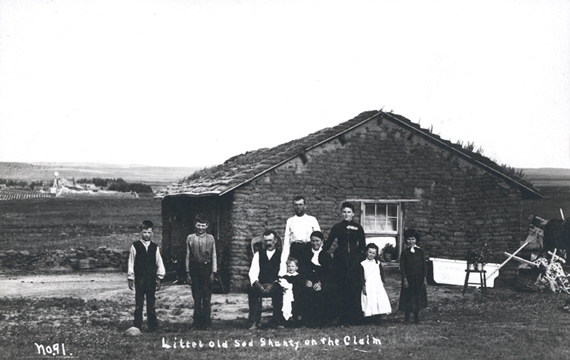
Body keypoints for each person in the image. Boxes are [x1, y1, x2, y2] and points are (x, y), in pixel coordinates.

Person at [322, 201, 366, 325]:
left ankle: (355, 317)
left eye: (349, 212)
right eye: (344, 212)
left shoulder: (358, 228)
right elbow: (329, 242)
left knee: (354, 288)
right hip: (340, 259)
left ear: (353, 214)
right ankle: (342, 317)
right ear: (341, 213)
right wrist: (319, 252)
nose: (346, 214)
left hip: (354, 260)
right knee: (342, 288)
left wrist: (362, 259)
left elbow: (362, 245)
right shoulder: (337, 227)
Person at [127, 220, 165, 332]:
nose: (146, 235)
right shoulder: (135, 246)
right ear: (140, 232)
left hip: (151, 278)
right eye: (144, 232)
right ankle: (137, 325)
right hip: (139, 278)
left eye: (149, 232)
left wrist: (159, 278)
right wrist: (130, 277)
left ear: (152, 233)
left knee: (151, 302)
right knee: (139, 302)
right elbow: (131, 262)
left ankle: (152, 326)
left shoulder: (154, 247)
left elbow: (159, 262)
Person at [247, 230, 285, 330]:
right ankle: (254, 321)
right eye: (266, 241)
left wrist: (272, 284)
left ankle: (278, 321)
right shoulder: (258, 255)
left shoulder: (282, 255)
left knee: (279, 290)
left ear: (275, 240)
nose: (268, 243)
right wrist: (258, 284)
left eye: (270, 240)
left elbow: (282, 272)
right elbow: (253, 272)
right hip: (261, 284)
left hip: (275, 284)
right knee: (252, 291)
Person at [185, 213, 217, 330]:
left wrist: (213, 272)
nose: (201, 228)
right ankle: (196, 322)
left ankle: (207, 323)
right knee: (197, 297)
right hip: (195, 269)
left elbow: (214, 255)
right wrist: (187, 272)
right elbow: (187, 255)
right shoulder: (190, 238)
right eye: (199, 225)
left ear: (207, 226)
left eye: (203, 225)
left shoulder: (211, 238)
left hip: (206, 269)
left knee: (207, 297)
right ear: (195, 225)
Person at [298, 230, 334, 327]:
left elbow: (329, 273)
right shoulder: (305, 254)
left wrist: (321, 283)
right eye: (313, 241)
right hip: (308, 280)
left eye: (317, 241)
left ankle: (322, 321)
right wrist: (305, 280)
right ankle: (308, 321)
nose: (315, 243)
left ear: (322, 241)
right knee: (305, 292)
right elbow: (301, 270)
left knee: (323, 292)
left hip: (322, 282)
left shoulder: (326, 256)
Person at [281, 196, 320, 275]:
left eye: (300, 204)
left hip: (308, 249)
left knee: (308, 273)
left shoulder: (312, 219)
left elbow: (318, 238)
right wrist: (284, 259)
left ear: (305, 206)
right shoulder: (290, 221)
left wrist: (317, 255)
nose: (298, 207)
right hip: (295, 250)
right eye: (296, 205)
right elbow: (286, 242)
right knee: (296, 275)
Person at [398, 228, 428, 324]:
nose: (411, 241)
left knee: (417, 297)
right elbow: (402, 266)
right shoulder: (405, 252)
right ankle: (406, 317)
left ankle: (416, 317)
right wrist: (404, 278)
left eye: (413, 239)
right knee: (408, 297)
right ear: (406, 240)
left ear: (416, 240)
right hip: (409, 279)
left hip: (418, 279)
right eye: (409, 239)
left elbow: (424, 265)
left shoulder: (420, 252)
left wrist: (424, 278)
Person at [360, 243, 392, 324]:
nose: (371, 255)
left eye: (373, 253)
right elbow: (361, 276)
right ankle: (369, 318)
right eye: (370, 252)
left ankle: (377, 318)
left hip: (377, 284)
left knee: (378, 300)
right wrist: (363, 285)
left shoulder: (377, 263)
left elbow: (381, 274)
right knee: (369, 301)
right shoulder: (363, 264)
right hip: (368, 285)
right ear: (366, 252)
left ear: (376, 254)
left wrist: (382, 282)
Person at [278, 257, 304, 326]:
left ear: (296, 268)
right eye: (289, 266)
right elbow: (281, 285)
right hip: (287, 296)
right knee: (286, 304)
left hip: (297, 295)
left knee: (297, 306)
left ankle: (297, 319)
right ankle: (287, 320)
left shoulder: (299, 277)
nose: (290, 268)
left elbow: (301, 286)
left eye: (293, 266)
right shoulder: (285, 277)